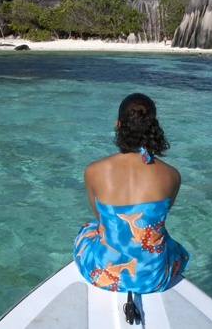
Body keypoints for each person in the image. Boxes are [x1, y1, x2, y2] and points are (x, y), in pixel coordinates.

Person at [73, 93, 190, 293]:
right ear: (153, 126)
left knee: (88, 229)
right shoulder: (172, 175)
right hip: (153, 278)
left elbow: (100, 219)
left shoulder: (94, 171)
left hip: (103, 274)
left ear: (118, 124)